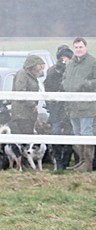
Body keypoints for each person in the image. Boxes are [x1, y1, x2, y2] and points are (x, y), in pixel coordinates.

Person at [62, 37, 96, 171]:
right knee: (77, 133)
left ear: (85, 47)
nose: (78, 50)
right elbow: (65, 78)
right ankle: (81, 161)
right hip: (72, 105)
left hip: (86, 105)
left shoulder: (92, 62)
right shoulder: (71, 64)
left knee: (86, 132)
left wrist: (86, 84)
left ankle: (88, 163)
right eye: (76, 47)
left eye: (80, 47)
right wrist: (65, 84)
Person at [45, 45, 74, 169]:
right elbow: (48, 87)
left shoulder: (73, 70)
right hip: (56, 109)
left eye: (66, 58)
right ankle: (58, 161)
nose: (64, 60)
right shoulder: (52, 71)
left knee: (70, 134)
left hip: (69, 109)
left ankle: (66, 161)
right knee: (55, 133)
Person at [10, 54, 46, 135]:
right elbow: (20, 91)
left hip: (29, 113)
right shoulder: (22, 74)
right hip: (22, 113)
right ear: (33, 66)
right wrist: (32, 104)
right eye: (39, 67)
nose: (40, 70)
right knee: (26, 134)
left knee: (29, 134)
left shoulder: (32, 76)